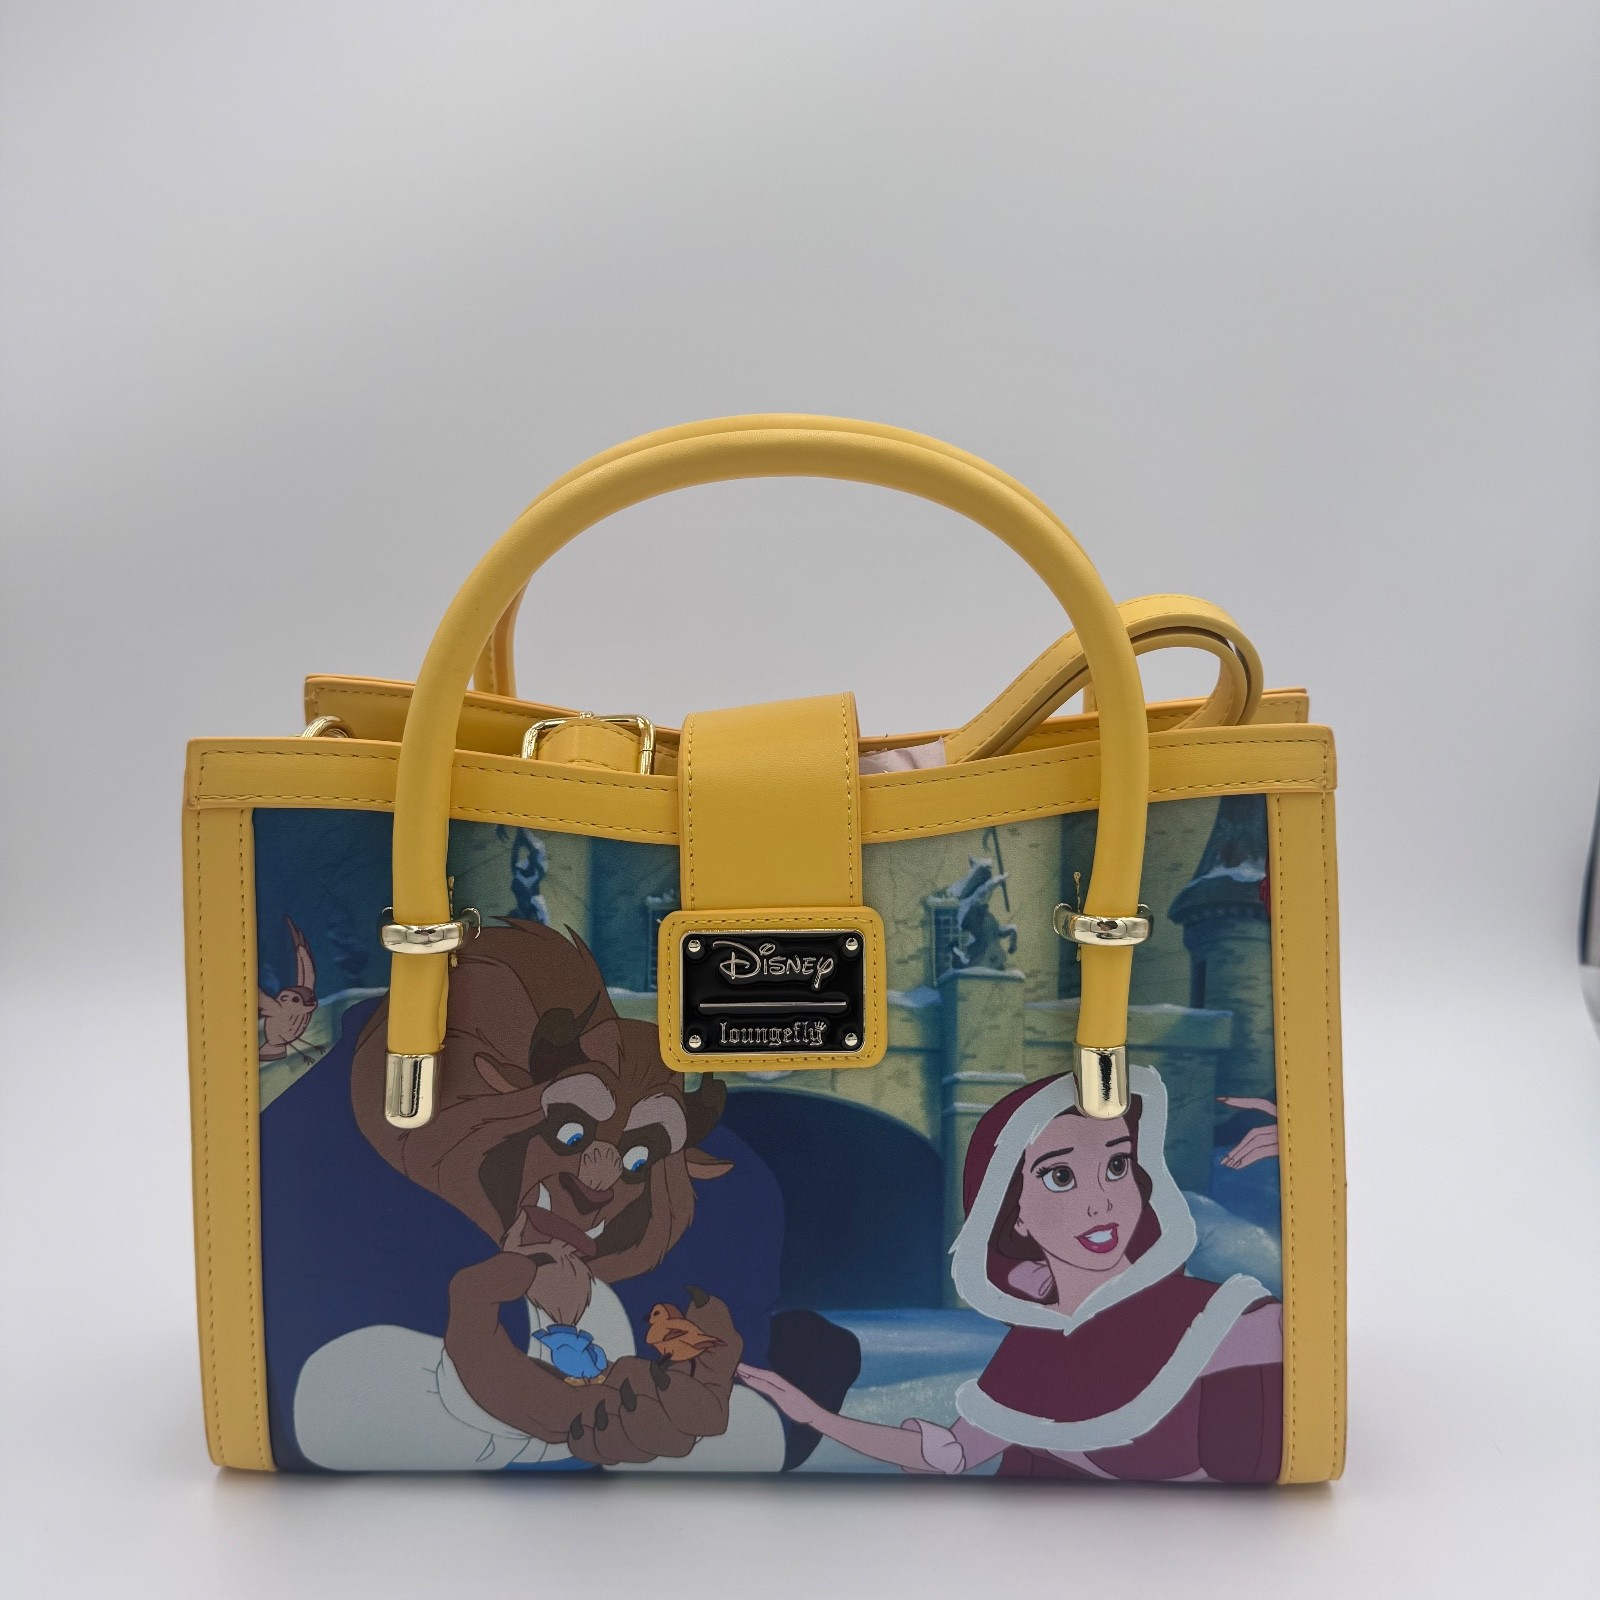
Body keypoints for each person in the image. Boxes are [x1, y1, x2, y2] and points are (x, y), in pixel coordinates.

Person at [739, 1067, 1283, 1481]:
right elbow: (951, 1454)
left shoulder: (1228, 1320)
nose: (1101, 1201)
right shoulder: (1034, 1351)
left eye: (1117, 1166)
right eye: (1061, 1176)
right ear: (1013, 1212)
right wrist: (813, 1415)